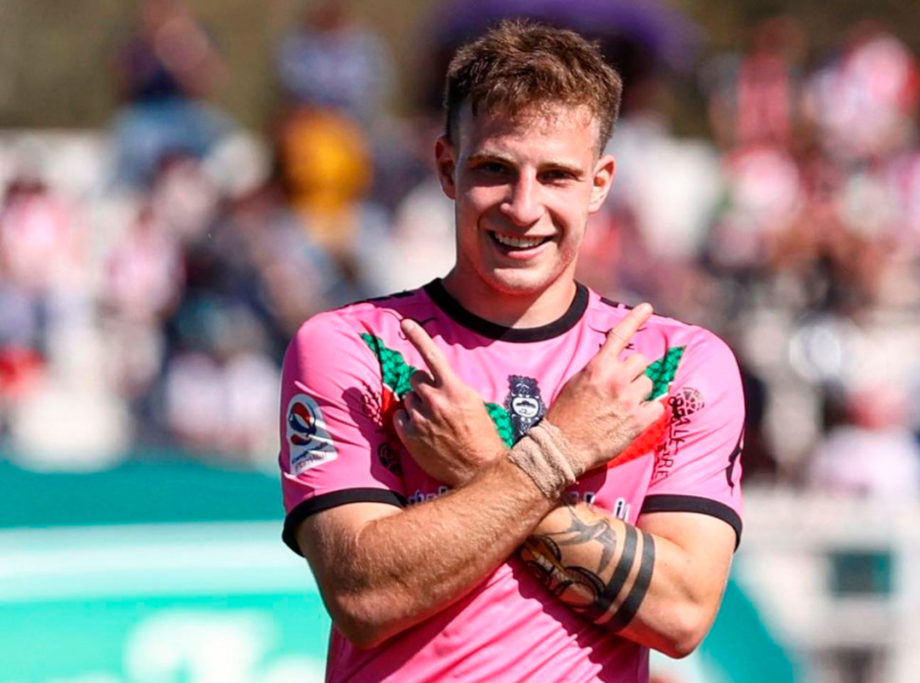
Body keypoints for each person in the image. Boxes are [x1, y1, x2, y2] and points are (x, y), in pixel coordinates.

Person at [278, 21, 744, 682]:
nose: (524, 207)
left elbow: (681, 614)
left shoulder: (674, 365)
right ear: (447, 167)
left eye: (556, 175)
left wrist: (486, 464)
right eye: (495, 169)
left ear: (600, 182)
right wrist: (556, 454)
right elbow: (364, 594)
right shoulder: (354, 346)